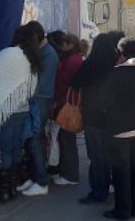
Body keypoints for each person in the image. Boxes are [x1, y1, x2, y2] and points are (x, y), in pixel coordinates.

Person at [0, 24, 39, 203]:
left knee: (4, 150)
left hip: (6, 110)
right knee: (14, 149)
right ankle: (12, 188)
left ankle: (3, 192)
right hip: (21, 110)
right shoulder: (31, 58)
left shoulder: (9, 54)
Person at [101, 38, 135, 220]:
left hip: (121, 129)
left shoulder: (118, 73)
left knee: (121, 171)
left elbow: (105, 102)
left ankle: (122, 211)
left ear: (121, 53)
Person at [70, 33, 120, 204]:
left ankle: (99, 191)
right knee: (109, 154)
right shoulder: (117, 63)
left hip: (93, 115)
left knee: (97, 156)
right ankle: (111, 184)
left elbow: (75, 83)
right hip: (113, 116)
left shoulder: (91, 63)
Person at [19, 21, 59, 197]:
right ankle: (35, 177)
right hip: (38, 100)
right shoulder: (44, 52)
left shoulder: (48, 55)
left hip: (41, 100)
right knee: (32, 139)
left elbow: (40, 84)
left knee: (35, 139)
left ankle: (41, 181)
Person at [52, 33, 84, 186]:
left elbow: (62, 83)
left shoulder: (71, 61)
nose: (61, 46)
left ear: (69, 45)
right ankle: (69, 173)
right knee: (67, 139)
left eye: (63, 43)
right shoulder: (76, 59)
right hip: (69, 102)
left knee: (67, 139)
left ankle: (70, 175)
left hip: (66, 103)